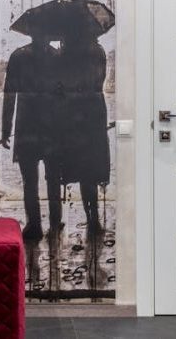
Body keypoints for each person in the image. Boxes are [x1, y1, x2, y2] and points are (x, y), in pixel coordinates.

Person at [1, 33, 61, 241]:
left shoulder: (18, 56)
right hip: (53, 126)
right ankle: (55, 222)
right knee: (54, 178)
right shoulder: (58, 57)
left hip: (26, 127)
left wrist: (5, 129)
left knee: (29, 181)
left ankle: (34, 225)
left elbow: (9, 95)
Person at [54, 31, 110, 234]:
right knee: (91, 168)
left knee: (78, 164)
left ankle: (90, 217)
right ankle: (94, 218)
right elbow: (99, 79)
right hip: (94, 112)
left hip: (71, 114)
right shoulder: (97, 51)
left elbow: (59, 85)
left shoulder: (64, 55)